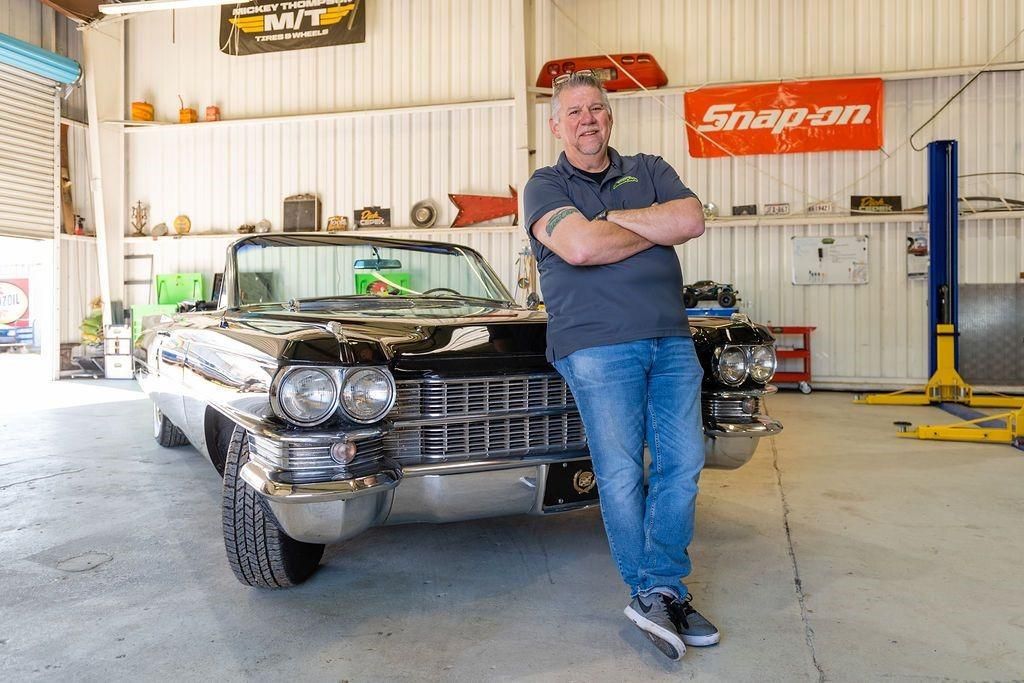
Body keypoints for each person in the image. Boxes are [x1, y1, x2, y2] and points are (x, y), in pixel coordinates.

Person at [522, 71, 716, 661]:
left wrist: (610, 223)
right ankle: (652, 589)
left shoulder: (650, 167)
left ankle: (662, 586)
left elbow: (691, 219)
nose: (588, 118)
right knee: (622, 471)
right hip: (598, 344)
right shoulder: (543, 184)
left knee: (684, 463)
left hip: (670, 340)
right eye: (575, 111)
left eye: (597, 109)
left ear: (610, 118)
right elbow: (578, 248)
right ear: (557, 125)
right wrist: (645, 223)